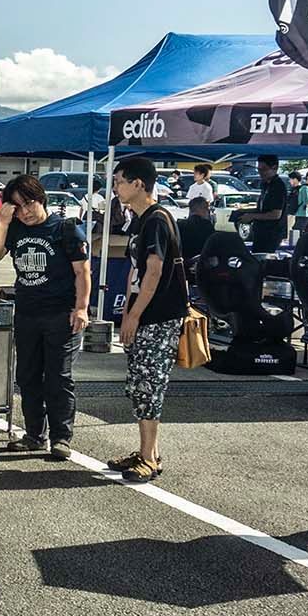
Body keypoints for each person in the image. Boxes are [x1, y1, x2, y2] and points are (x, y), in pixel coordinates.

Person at [0, 174, 90, 459]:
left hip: (61, 314)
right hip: (28, 313)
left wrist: (81, 308)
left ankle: (61, 437)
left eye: (29, 203)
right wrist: (4, 222)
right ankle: (34, 434)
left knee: (58, 377)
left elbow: (82, 272)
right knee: (28, 376)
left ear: (40, 198)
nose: (26, 212)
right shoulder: (16, 227)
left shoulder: (65, 228)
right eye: (17, 207)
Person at [110, 157, 189, 483]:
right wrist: (128, 312)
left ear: (138, 183)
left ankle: (148, 458)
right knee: (140, 385)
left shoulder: (156, 219)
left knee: (149, 386)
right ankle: (148, 453)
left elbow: (154, 270)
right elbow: (136, 269)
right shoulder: (141, 220)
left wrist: (136, 314)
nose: (116, 188)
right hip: (144, 315)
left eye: (119, 181)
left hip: (159, 317)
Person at [238, 155, 288, 254]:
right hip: (261, 231)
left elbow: (275, 214)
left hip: (271, 232)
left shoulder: (278, 186)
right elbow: (263, 208)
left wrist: (251, 216)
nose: (260, 173)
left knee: (263, 260)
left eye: (264, 169)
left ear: (275, 168)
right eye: (259, 169)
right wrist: (246, 211)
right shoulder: (265, 184)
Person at [179, 196, 216, 263]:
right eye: (207, 208)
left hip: (183, 262)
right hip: (201, 262)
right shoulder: (206, 225)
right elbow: (212, 245)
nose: (208, 211)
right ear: (202, 209)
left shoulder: (180, 224)